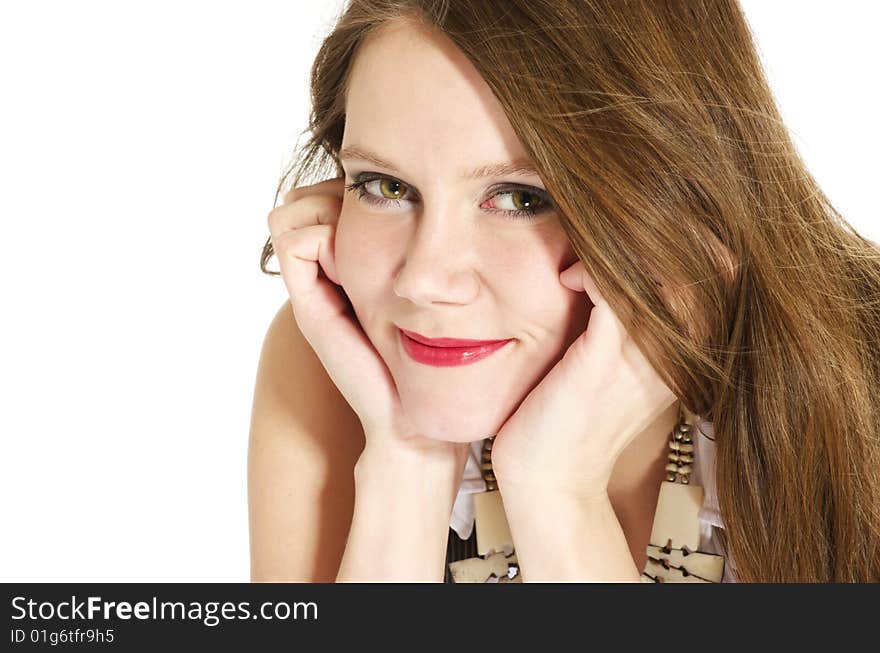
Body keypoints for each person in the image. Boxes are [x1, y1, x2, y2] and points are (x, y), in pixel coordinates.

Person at [249, 0, 880, 583]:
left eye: (523, 199)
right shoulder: (336, 367)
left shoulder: (864, 367)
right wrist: (406, 462)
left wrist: (556, 493)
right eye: (384, 186)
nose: (424, 281)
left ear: (682, 195)